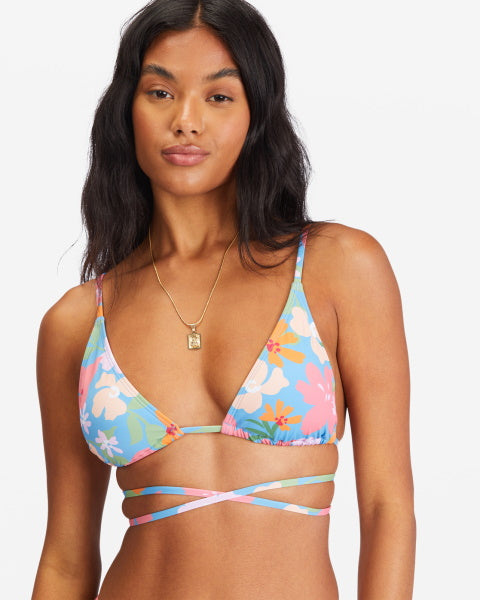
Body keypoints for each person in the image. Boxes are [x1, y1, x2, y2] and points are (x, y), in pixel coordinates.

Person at [32, 1, 415, 598]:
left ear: (256, 114)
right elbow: (65, 559)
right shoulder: (78, 320)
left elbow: (388, 506)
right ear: (126, 109)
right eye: (160, 92)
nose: (186, 121)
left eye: (219, 96)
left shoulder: (337, 268)